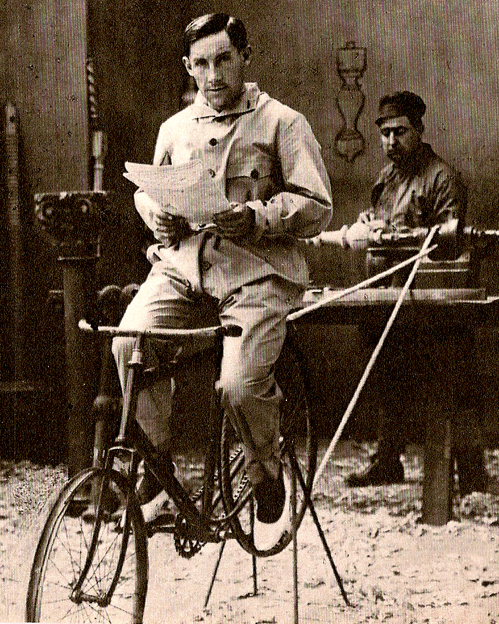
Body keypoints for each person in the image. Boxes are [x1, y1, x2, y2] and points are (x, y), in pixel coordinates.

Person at [112, 13, 332, 546]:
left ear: (245, 57)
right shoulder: (175, 128)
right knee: (127, 345)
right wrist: (154, 214)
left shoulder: (283, 122)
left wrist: (258, 216)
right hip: (185, 267)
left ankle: (264, 469)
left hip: (256, 275)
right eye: (201, 64)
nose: (212, 75)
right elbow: (149, 188)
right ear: (188, 67)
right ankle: (159, 470)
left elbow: (318, 206)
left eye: (223, 59)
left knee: (238, 385)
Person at [343, 91, 489, 494]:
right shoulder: (387, 177)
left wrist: (395, 236)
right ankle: (388, 462)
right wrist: (369, 223)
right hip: (392, 299)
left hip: (434, 307)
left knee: (451, 384)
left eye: (400, 132)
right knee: (386, 375)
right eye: (385, 133)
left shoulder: (442, 177)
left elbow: (451, 245)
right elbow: (381, 225)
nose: (392, 141)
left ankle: (471, 475)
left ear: (419, 130)